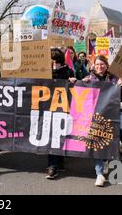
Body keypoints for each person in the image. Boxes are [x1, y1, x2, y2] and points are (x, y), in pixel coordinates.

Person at [83, 55, 122, 187]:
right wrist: (77, 82)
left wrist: (121, 86)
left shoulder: (114, 78)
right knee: (97, 141)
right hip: (96, 115)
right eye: (97, 64)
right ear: (93, 66)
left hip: (113, 113)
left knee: (116, 136)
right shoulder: (89, 78)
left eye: (102, 64)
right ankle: (99, 174)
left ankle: (108, 158)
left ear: (106, 65)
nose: (99, 67)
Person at [45, 48, 75, 180]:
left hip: (62, 108)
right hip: (46, 107)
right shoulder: (45, 72)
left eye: (53, 61)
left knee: (58, 135)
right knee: (51, 136)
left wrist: (74, 81)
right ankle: (54, 164)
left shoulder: (67, 71)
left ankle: (55, 163)